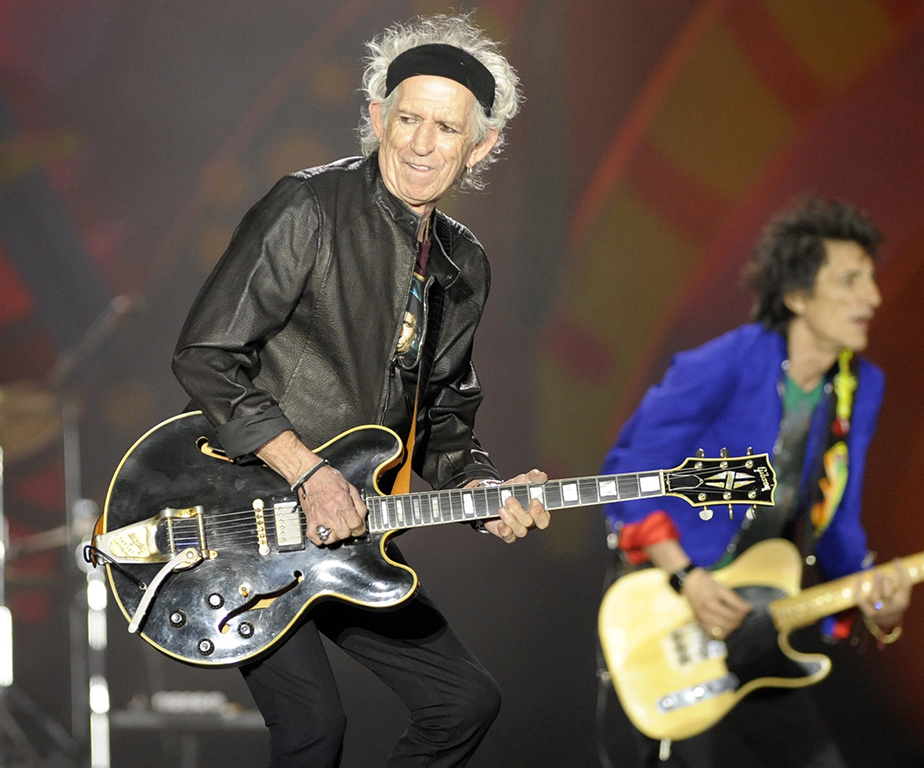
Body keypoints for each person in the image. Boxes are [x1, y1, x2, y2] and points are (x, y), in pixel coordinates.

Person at [170, 14, 550, 768]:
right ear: (377, 117)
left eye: (445, 128)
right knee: (314, 727)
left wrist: (488, 492)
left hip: (347, 539)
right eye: (407, 118)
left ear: (482, 147)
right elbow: (206, 354)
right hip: (244, 521)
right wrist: (306, 472)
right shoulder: (307, 207)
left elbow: (442, 423)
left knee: (464, 700)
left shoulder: (462, 265)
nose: (419, 143)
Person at [601, 197, 912, 767]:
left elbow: (838, 523)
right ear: (796, 296)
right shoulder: (725, 362)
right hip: (671, 608)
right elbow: (626, 475)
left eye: (871, 279)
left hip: (759, 615)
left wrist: (877, 602)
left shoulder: (859, 386)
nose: (873, 297)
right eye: (850, 280)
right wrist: (687, 577)